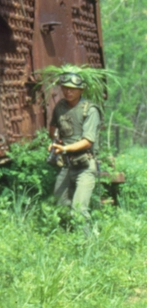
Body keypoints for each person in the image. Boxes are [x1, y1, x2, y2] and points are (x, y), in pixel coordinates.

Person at [49, 68, 102, 224]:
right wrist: (55, 142)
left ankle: (90, 244)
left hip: (84, 165)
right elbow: (53, 129)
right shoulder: (60, 107)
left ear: (81, 89)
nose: (68, 91)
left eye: (72, 88)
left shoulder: (90, 110)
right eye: (65, 88)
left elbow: (87, 141)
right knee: (60, 207)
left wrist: (64, 149)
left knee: (78, 210)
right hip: (66, 165)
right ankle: (66, 241)